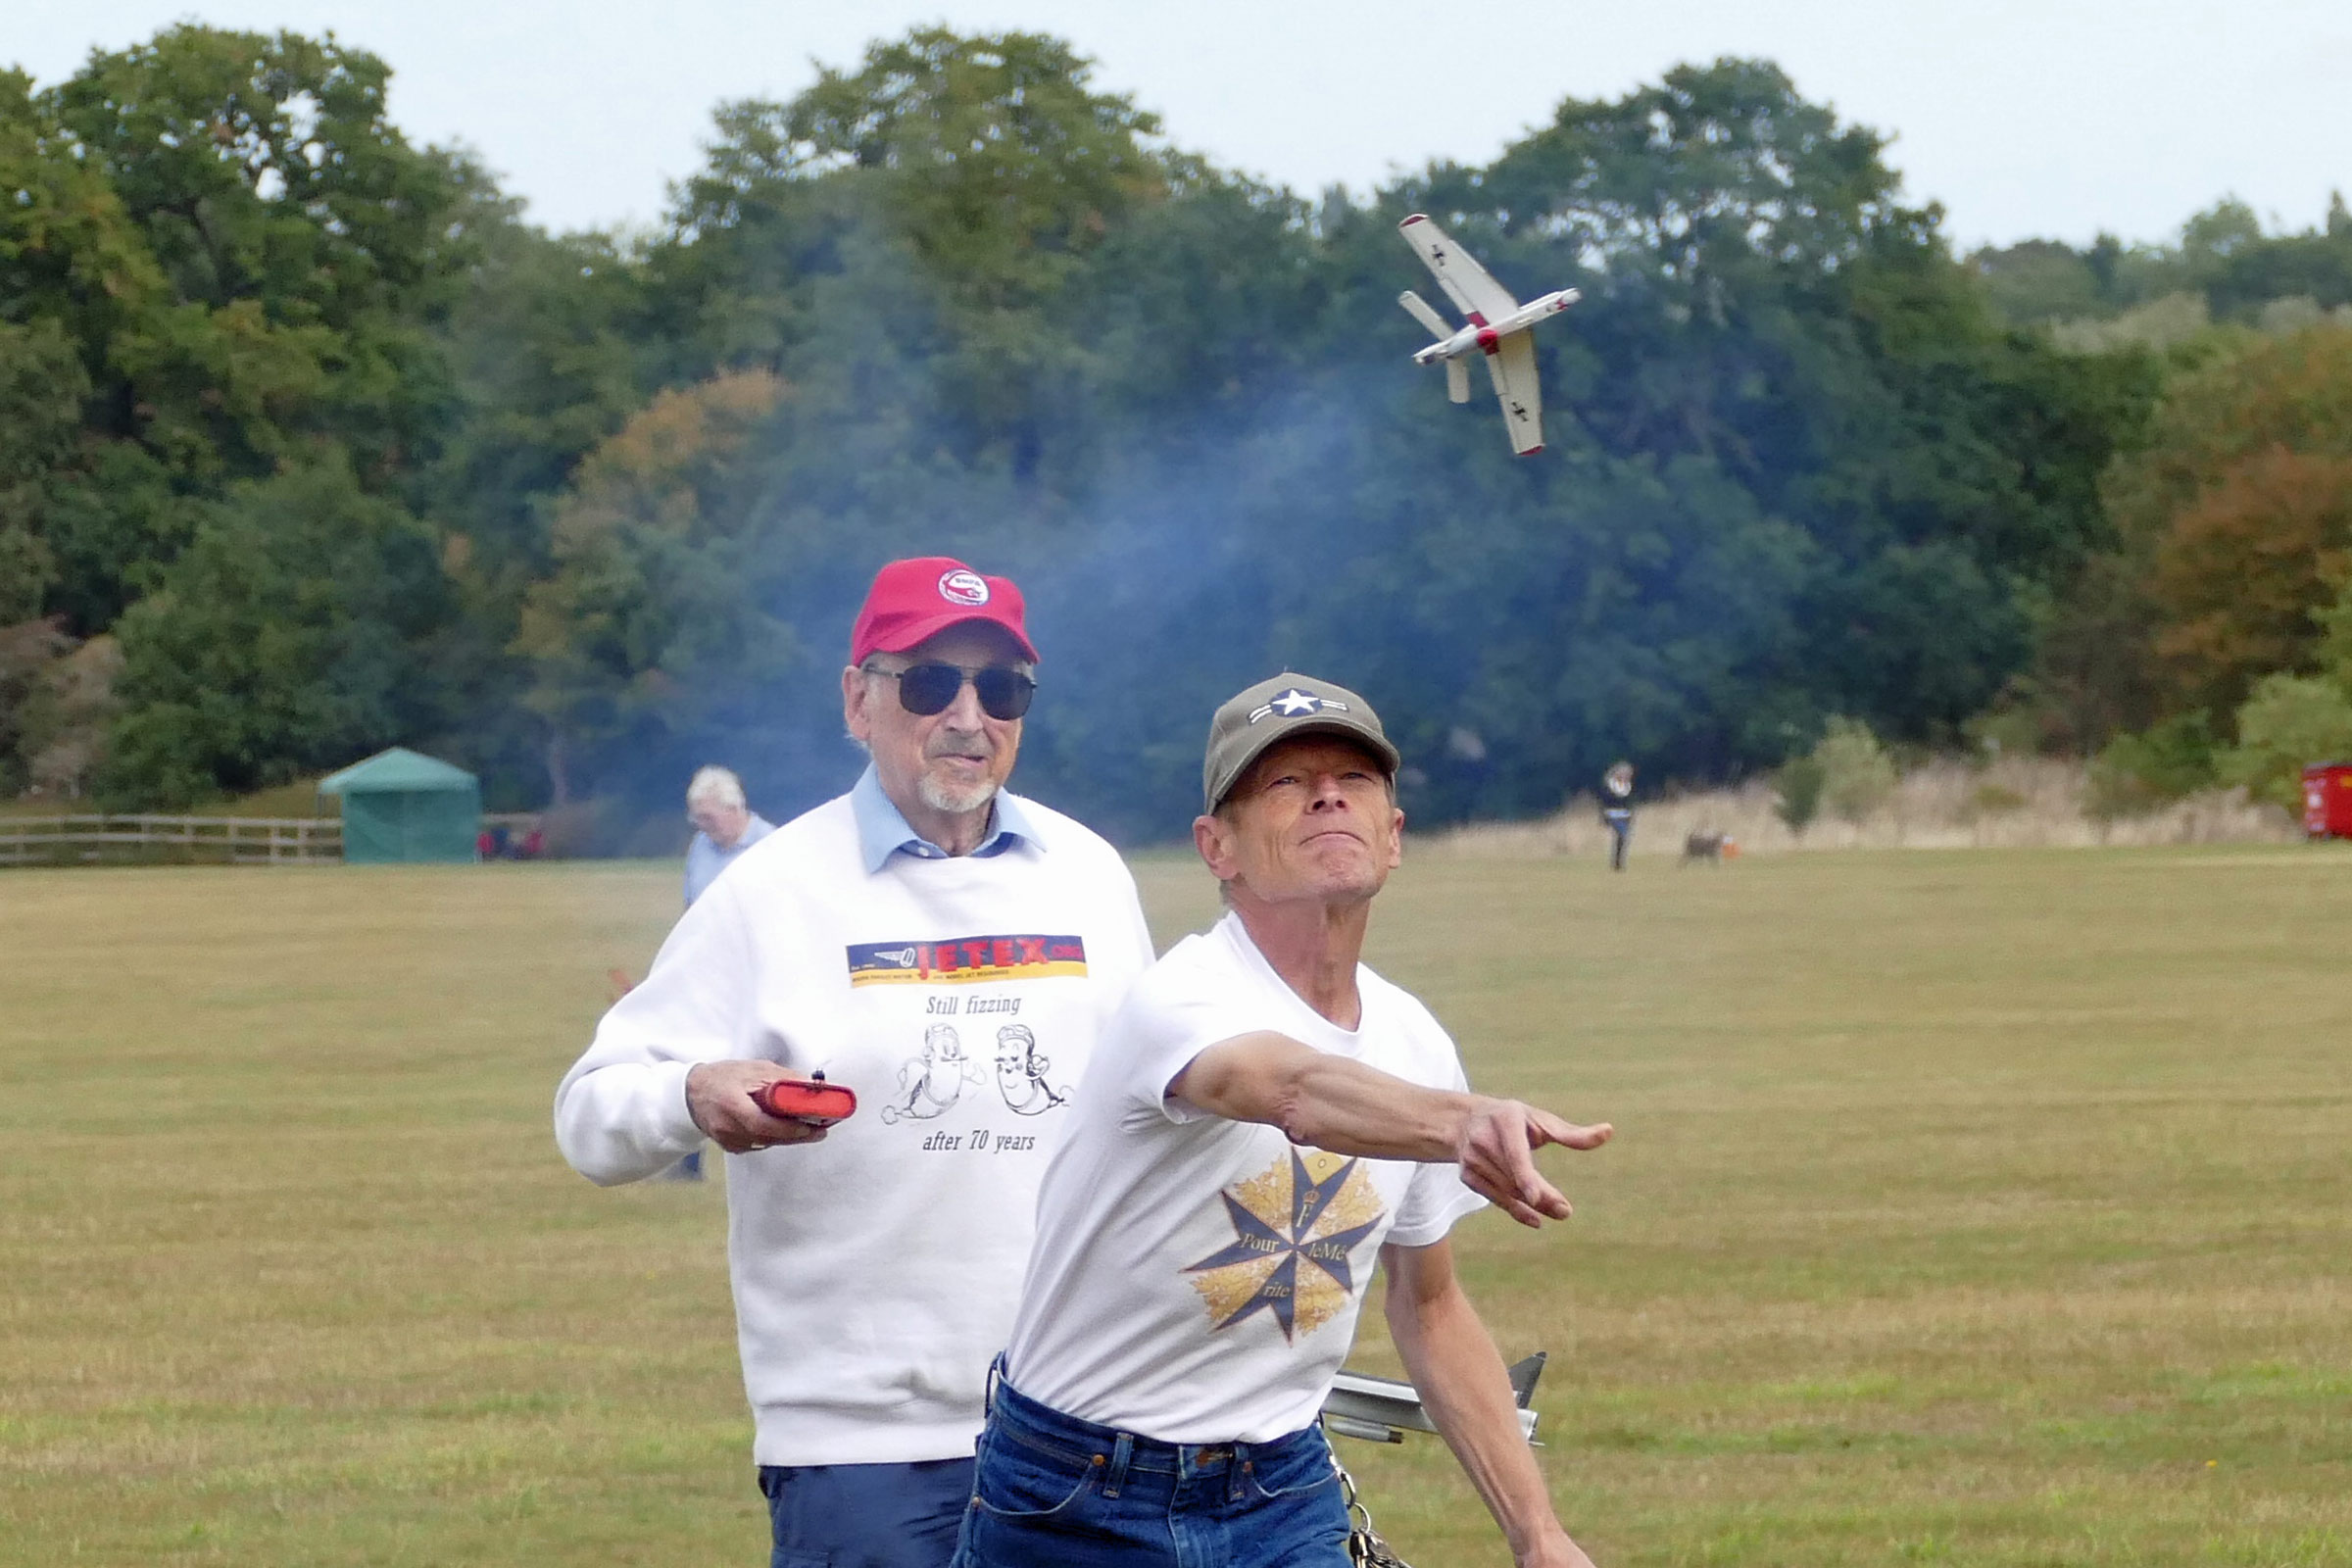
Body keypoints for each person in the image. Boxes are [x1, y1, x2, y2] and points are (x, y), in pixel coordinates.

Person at [554, 557, 1156, 1568]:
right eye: (930, 682)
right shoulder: (769, 892)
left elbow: (1149, 1119)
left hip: (1083, 1425)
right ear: (857, 699)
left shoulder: (1090, 875)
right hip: (864, 1452)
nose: (968, 715)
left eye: (1000, 689)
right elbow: (592, 1112)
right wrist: (694, 1094)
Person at [957, 673, 1611, 1568]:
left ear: (1394, 834)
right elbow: (1290, 1088)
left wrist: (1537, 1534)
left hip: (1281, 1485)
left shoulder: (1414, 1039)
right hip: (1077, 1488)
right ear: (1216, 846)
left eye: (1355, 778)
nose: (1328, 796)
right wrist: (1460, 1123)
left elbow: (1431, 1304)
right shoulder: (1180, 1000)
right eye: (1286, 783)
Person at [684, 764, 775, 906]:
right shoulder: (700, 844)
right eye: (697, 818)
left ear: (733, 809)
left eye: (707, 817)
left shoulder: (770, 844)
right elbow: (689, 907)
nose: (701, 825)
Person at [1599, 760, 1636, 872]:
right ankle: (1618, 862)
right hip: (1611, 815)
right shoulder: (1609, 785)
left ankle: (1618, 862)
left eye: (1628, 774)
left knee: (1623, 838)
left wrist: (1630, 814)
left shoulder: (1627, 787)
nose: (1626, 776)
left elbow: (1628, 804)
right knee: (1622, 835)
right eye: (1624, 773)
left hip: (1624, 816)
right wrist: (1603, 816)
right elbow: (1603, 802)